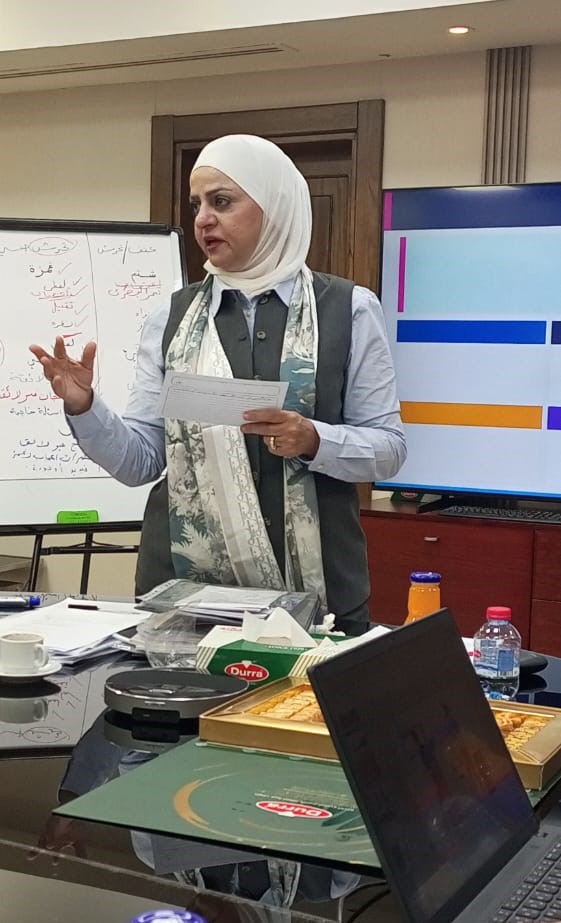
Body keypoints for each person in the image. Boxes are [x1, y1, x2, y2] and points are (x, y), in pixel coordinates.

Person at [30, 134, 406, 635]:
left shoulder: (349, 309)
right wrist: (84, 406)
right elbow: (142, 461)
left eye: (222, 202)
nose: (203, 219)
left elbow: (389, 449)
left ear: (274, 207)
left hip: (320, 599)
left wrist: (314, 439)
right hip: (183, 598)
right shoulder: (171, 316)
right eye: (197, 205)